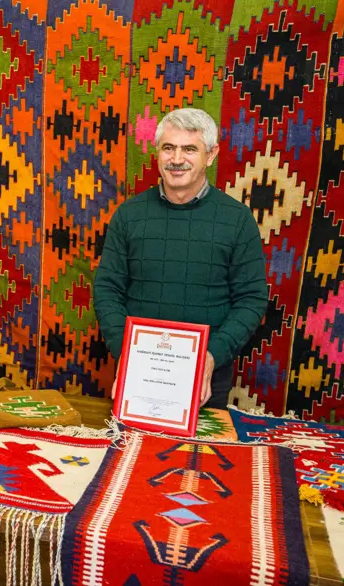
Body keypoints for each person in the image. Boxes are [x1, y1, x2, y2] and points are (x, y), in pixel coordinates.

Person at [94, 108, 268, 409]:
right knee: (127, 456)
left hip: (207, 377)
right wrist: (125, 351)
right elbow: (107, 289)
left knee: (201, 457)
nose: (176, 159)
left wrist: (213, 354)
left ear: (210, 155)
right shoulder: (128, 216)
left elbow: (251, 299)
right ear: (158, 153)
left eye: (190, 149)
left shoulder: (237, 220)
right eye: (168, 148)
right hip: (138, 373)